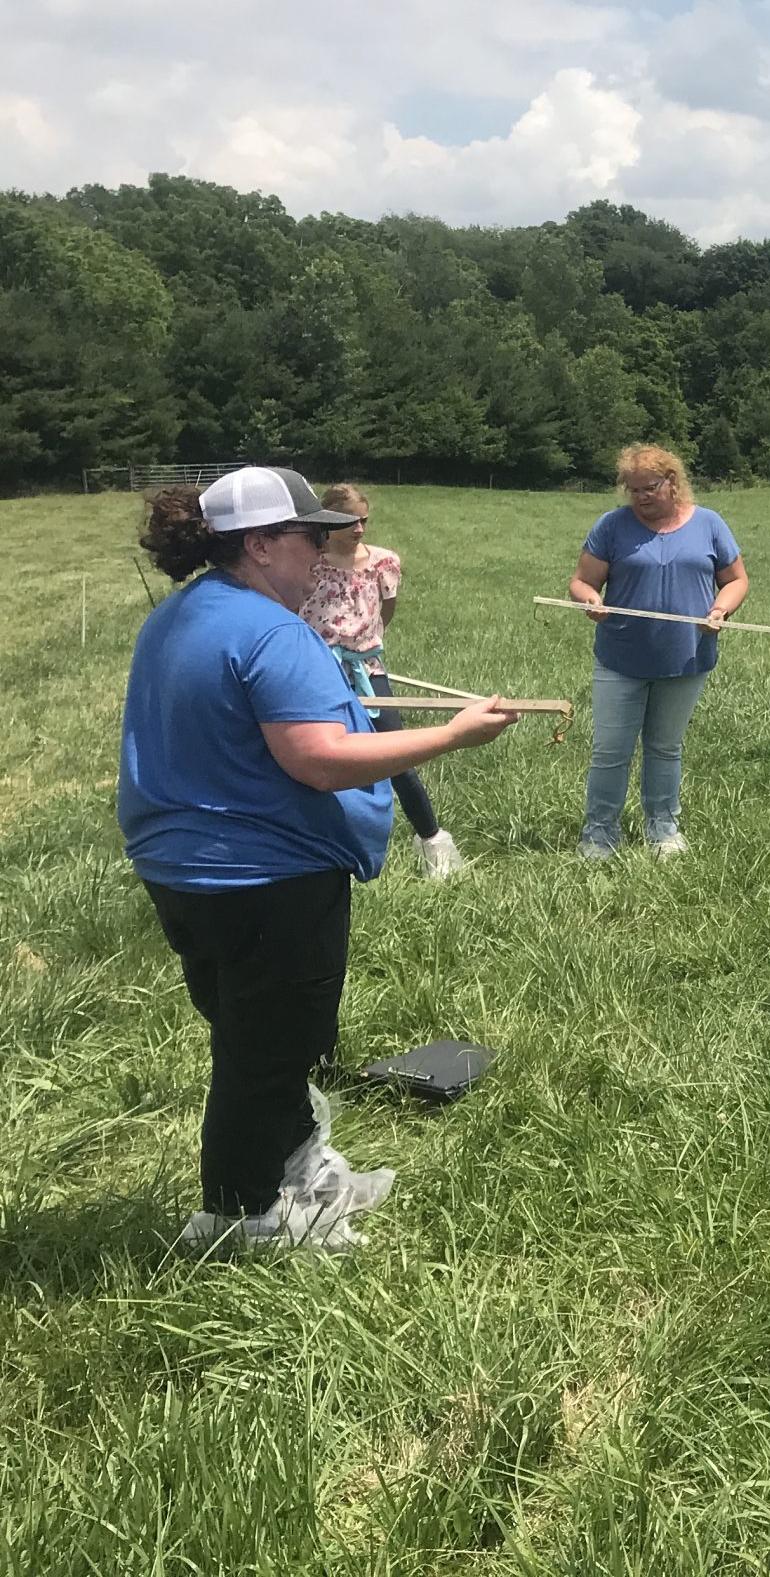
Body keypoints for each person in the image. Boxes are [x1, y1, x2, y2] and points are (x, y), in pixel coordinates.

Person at [120, 466, 517, 1253]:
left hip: (186, 872)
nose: (328, 554)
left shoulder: (182, 615)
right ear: (261, 544)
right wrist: (452, 734)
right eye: (312, 537)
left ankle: (301, 1174)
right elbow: (320, 758)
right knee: (267, 1051)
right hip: (266, 877)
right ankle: (245, 1217)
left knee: (258, 1035)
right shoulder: (269, 630)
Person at [568, 444, 748, 860]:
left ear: (672, 482)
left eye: (650, 487)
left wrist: (721, 609)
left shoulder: (709, 523)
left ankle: (663, 827)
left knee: (665, 747)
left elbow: (736, 580)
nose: (641, 497)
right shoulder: (612, 527)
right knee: (611, 750)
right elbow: (580, 581)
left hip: (686, 658)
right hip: (621, 657)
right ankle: (599, 832)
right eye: (633, 490)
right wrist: (591, 600)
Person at [301, 484, 462, 880]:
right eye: (349, 521)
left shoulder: (383, 561)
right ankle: (317, 848)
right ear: (327, 521)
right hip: (317, 668)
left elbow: (384, 613)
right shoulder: (312, 562)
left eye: (364, 520)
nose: (359, 529)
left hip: (366, 672)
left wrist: (362, 649)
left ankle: (433, 842)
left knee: (395, 756)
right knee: (316, 757)